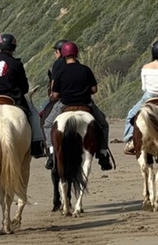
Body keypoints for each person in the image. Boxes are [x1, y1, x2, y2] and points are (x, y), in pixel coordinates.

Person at [0, 33, 46, 168]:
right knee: (33, 114)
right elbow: (24, 87)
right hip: (12, 99)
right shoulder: (16, 63)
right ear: (13, 47)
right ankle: (37, 145)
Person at [43, 41, 113, 171]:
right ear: (76, 54)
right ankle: (103, 153)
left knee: (47, 124)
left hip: (65, 104)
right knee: (103, 124)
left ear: (63, 54)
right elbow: (94, 89)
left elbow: (56, 94)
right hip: (85, 103)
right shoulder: (85, 69)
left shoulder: (60, 71)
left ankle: (52, 153)